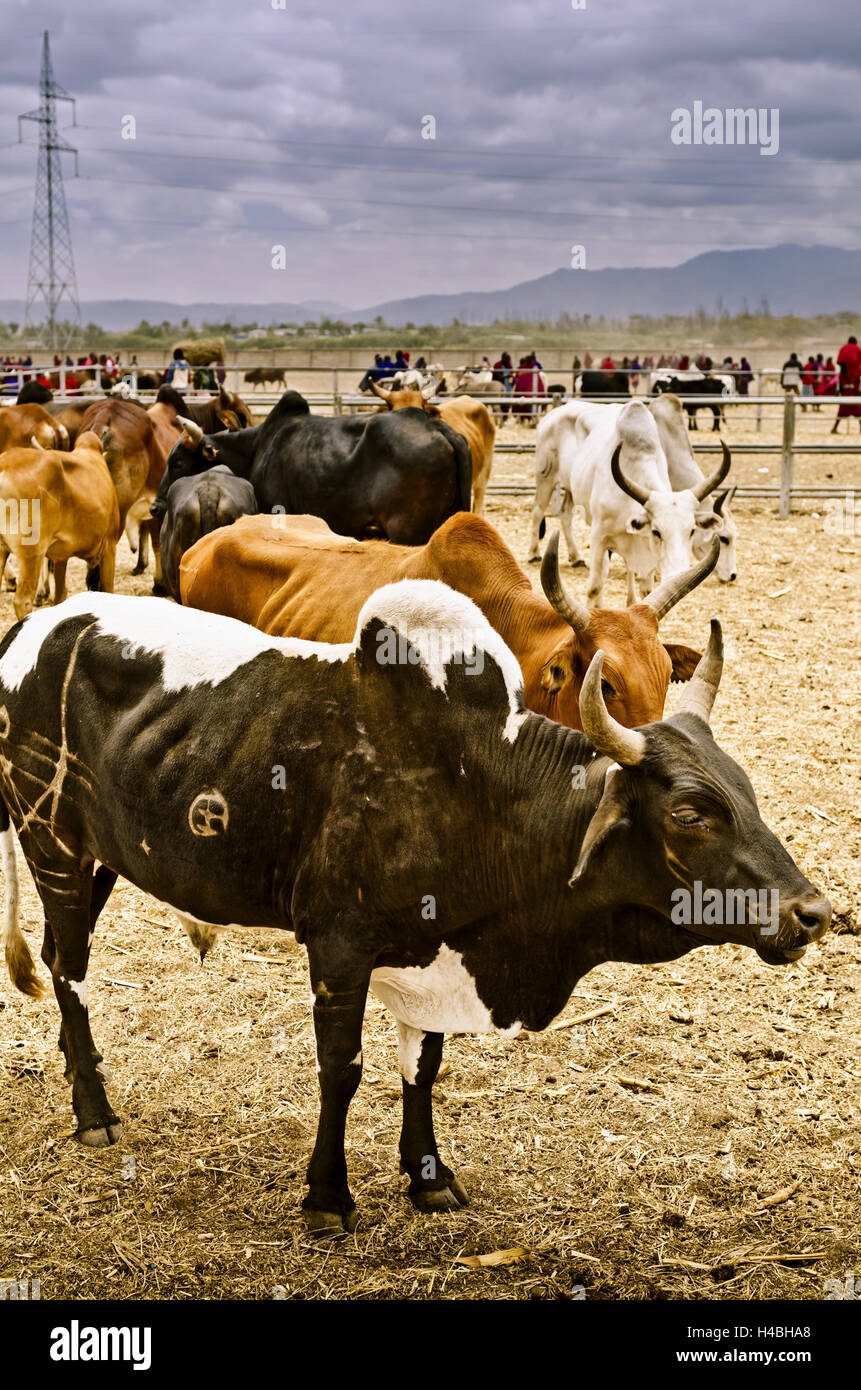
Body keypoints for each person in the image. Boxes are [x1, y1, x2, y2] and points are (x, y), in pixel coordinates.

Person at [831, 335, 861, 433]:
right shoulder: (857, 349)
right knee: (858, 407)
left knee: (843, 408)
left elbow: (839, 361)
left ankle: (835, 428)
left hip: (844, 382)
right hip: (854, 381)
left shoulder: (843, 348)